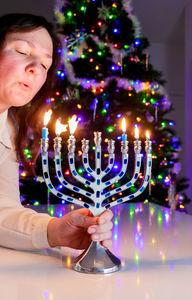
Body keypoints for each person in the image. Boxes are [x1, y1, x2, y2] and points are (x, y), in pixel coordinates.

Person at [0, 13, 113, 251]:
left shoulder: (9, 128)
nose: (35, 69)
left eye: (44, 65)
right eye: (21, 51)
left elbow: (3, 208)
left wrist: (55, 231)